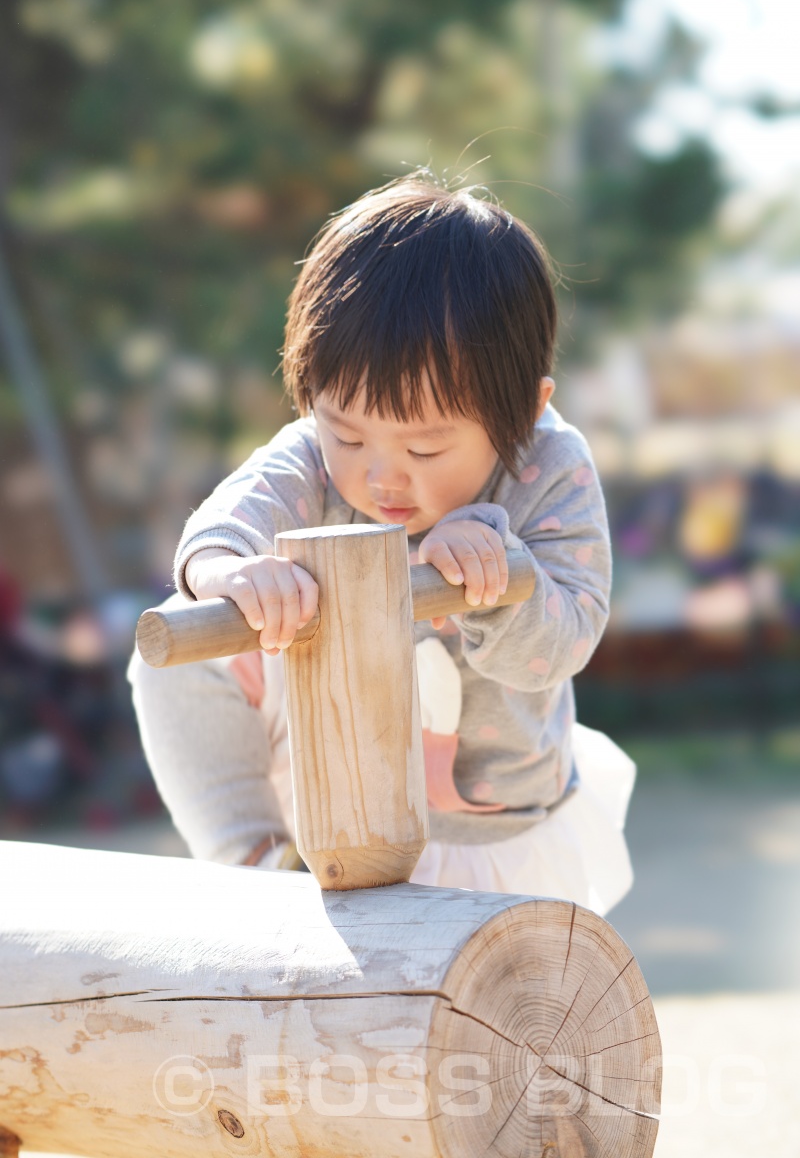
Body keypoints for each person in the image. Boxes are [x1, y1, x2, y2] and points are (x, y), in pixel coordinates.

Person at [129, 173, 636, 915]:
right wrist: (232, 574)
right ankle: (255, 858)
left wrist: (496, 581)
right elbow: (224, 525)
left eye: (426, 449)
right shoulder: (311, 456)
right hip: (333, 793)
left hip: (486, 827)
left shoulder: (547, 469)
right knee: (171, 654)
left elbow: (565, 643)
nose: (381, 475)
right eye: (348, 434)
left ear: (525, 410)